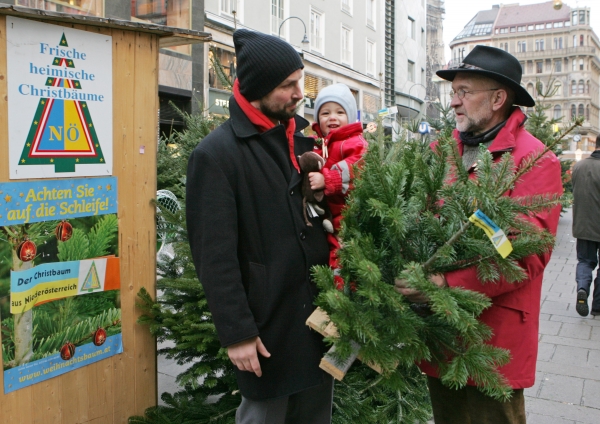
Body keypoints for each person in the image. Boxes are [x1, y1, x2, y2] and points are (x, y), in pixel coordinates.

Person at [395, 45, 563, 423]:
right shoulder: (443, 151)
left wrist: (445, 284)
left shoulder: (533, 160)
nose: (453, 102)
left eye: (464, 92)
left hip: (493, 340)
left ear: (499, 98)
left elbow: (524, 255)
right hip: (441, 333)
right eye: (453, 92)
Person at [186, 29, 332, 424]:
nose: (300, 93)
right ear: (258, 88)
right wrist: (237, 333)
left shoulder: (301, 143)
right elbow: (213, 255)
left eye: (299, 81)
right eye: (288, 85)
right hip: (267, 330)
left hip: (318, 320)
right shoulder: (216, 155)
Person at [309, 83, 367, 288]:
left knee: (343, 251)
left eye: (339, 112)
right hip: (330, 214)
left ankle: (344, 293)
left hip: (349, 211)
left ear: (350, 117)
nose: (332, 117)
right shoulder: (321, 144)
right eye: (325, 112)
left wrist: (328, 179)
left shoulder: (353, 142)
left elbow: (357, 167)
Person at [572, 134, 600, 317]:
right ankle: (598, 306)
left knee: (585, 261)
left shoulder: (579, 166)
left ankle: (582, 287)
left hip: (583, 225)